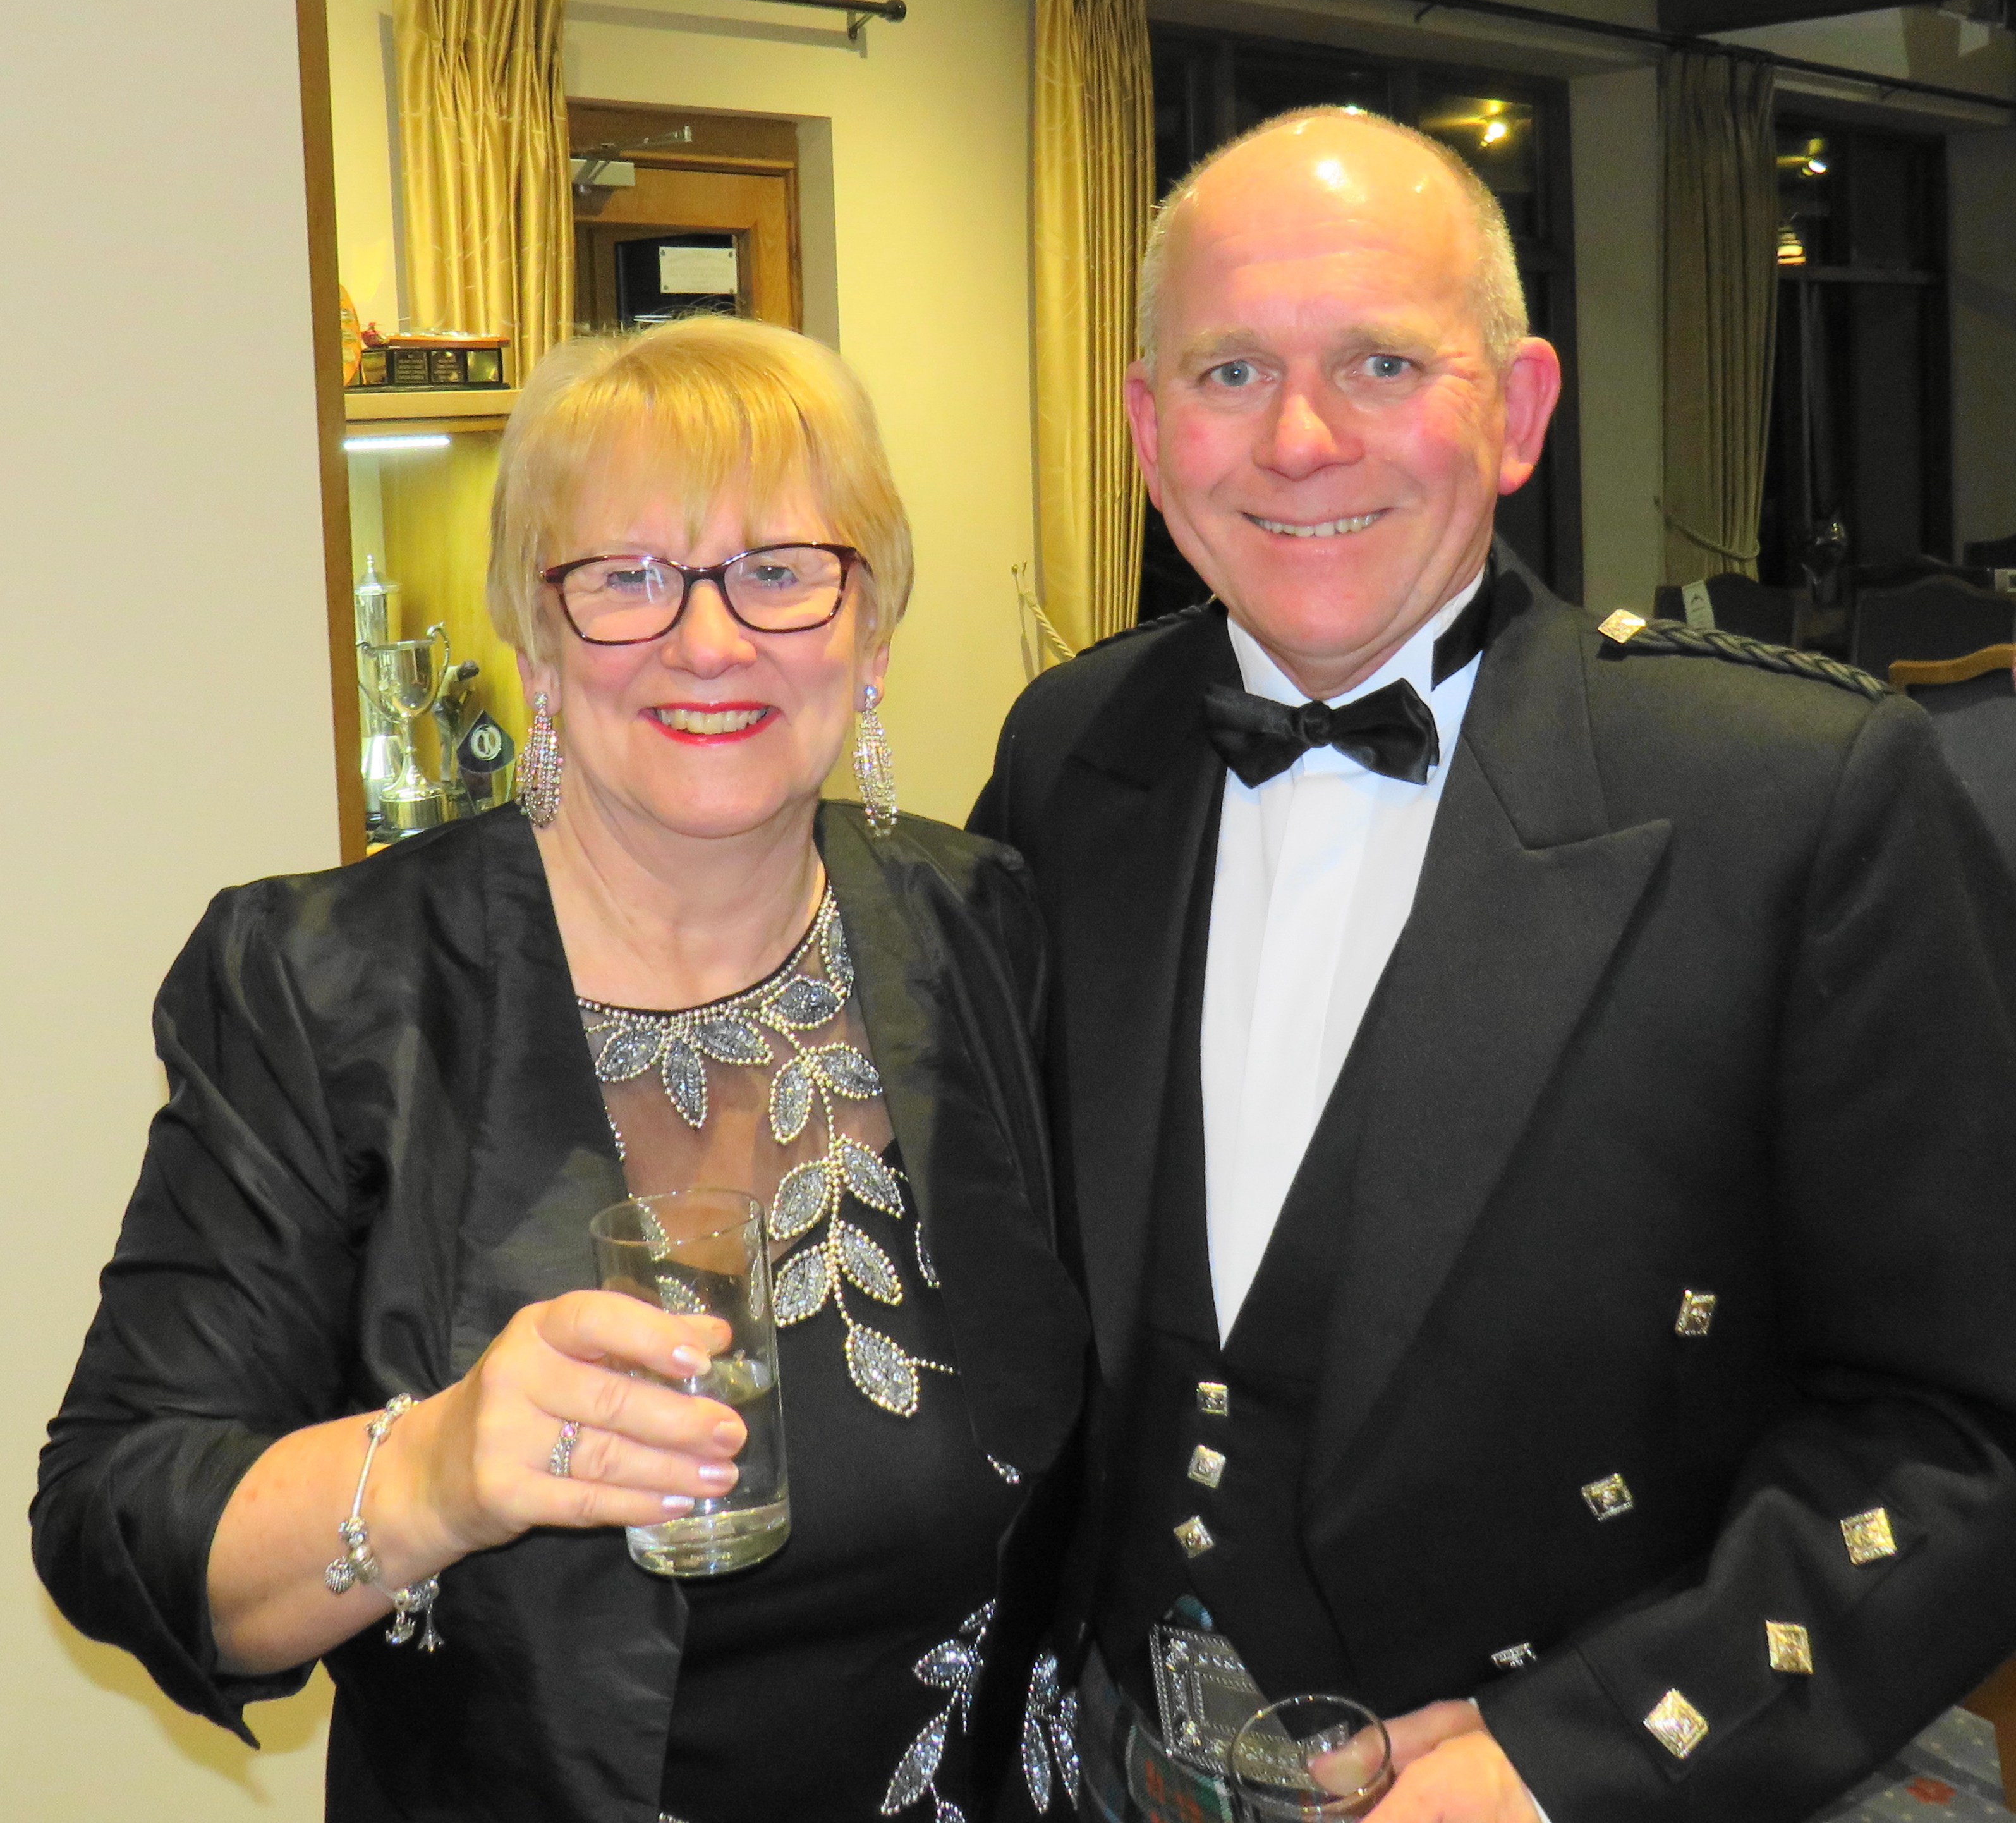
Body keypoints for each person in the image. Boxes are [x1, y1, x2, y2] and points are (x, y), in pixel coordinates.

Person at [969, 107, 2016, 1822]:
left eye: (1380, 362)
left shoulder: (1792, 794)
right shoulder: (1069, 749)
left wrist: (1572, 1754)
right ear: (1148, 431)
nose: (1299, 439)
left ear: (1516, 412)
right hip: (1113, 1770)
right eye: (1230, 372)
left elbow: (1962, 1421)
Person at [36, 317, 1087, 1823]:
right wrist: (432, 1470)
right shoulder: (326, 986)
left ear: (873, 627)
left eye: (780, 568)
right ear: (531, 635)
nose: (708, 640)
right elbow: (118, 1513)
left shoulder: (985, 926)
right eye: (628, 575)